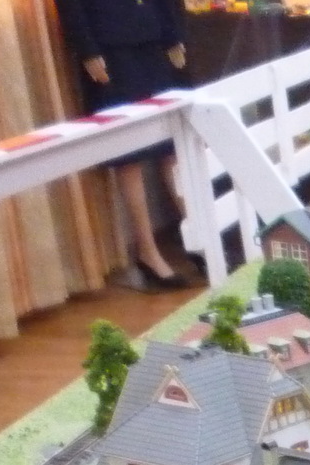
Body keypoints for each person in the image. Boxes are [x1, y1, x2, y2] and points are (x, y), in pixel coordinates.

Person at [55, 0, 191, 289]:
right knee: (130, 154)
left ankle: (199, 234)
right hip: (110, 45)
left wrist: (173, 32)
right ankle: (147, 252)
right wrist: (88, 49)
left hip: (154, 35)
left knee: (171, 145)